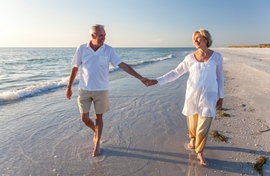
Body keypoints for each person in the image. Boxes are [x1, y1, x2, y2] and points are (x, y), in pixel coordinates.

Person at [66, 24, 149, 157]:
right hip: (84, 89)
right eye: (101, 35)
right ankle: (96, 131)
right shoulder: (82, 49)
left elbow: (123, 66)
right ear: (93, 36)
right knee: (84, 118)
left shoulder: (108, 50)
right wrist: (69, 87)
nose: (104, 38)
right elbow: (75, 68)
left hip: (101, 90)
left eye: (104, 35)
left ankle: (97, 143)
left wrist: (141, 78)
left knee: (99, 117)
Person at [147, 29, 224, 166]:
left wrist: (221, 97)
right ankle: (192, 139)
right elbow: (175, 73)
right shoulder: (189, 58)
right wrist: (157, 80)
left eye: (198, 38)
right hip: (192, 96)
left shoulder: (217, 57)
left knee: (203, 126)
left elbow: (220, 78)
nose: (195, 41)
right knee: (192, 123)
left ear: (206, 39)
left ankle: (200, 152)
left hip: (209, 96)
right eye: (194, 39)